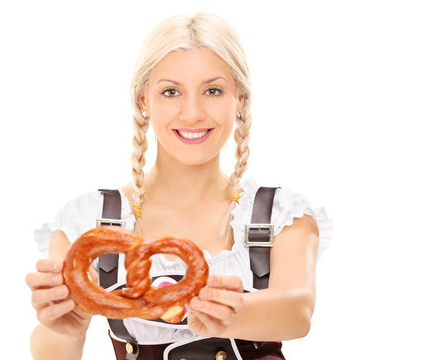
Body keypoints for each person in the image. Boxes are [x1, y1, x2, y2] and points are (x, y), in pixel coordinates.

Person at [25, 12, 333, 360]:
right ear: (143, 100)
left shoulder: (281, 215)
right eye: (171, 92)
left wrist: (227, 315)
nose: (192, 113)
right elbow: (53, 352)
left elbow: (298, 311)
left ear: (240, 99)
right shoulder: (87, 221)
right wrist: (67, 327)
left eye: (213, 91)